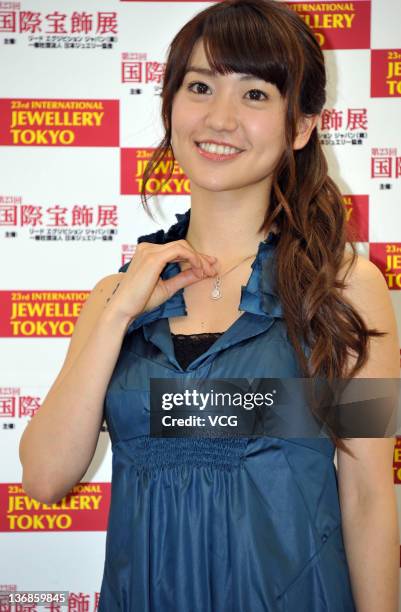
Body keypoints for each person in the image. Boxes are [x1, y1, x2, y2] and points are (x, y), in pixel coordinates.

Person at [19, 0, 400, 610]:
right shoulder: (112, 297)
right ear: (169, 108)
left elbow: (368, 498)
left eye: (255, 95)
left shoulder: (348, 290)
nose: (220, 117)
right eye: (200, 86)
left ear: (300, 126)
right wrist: (118, 314)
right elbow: (43, 479)